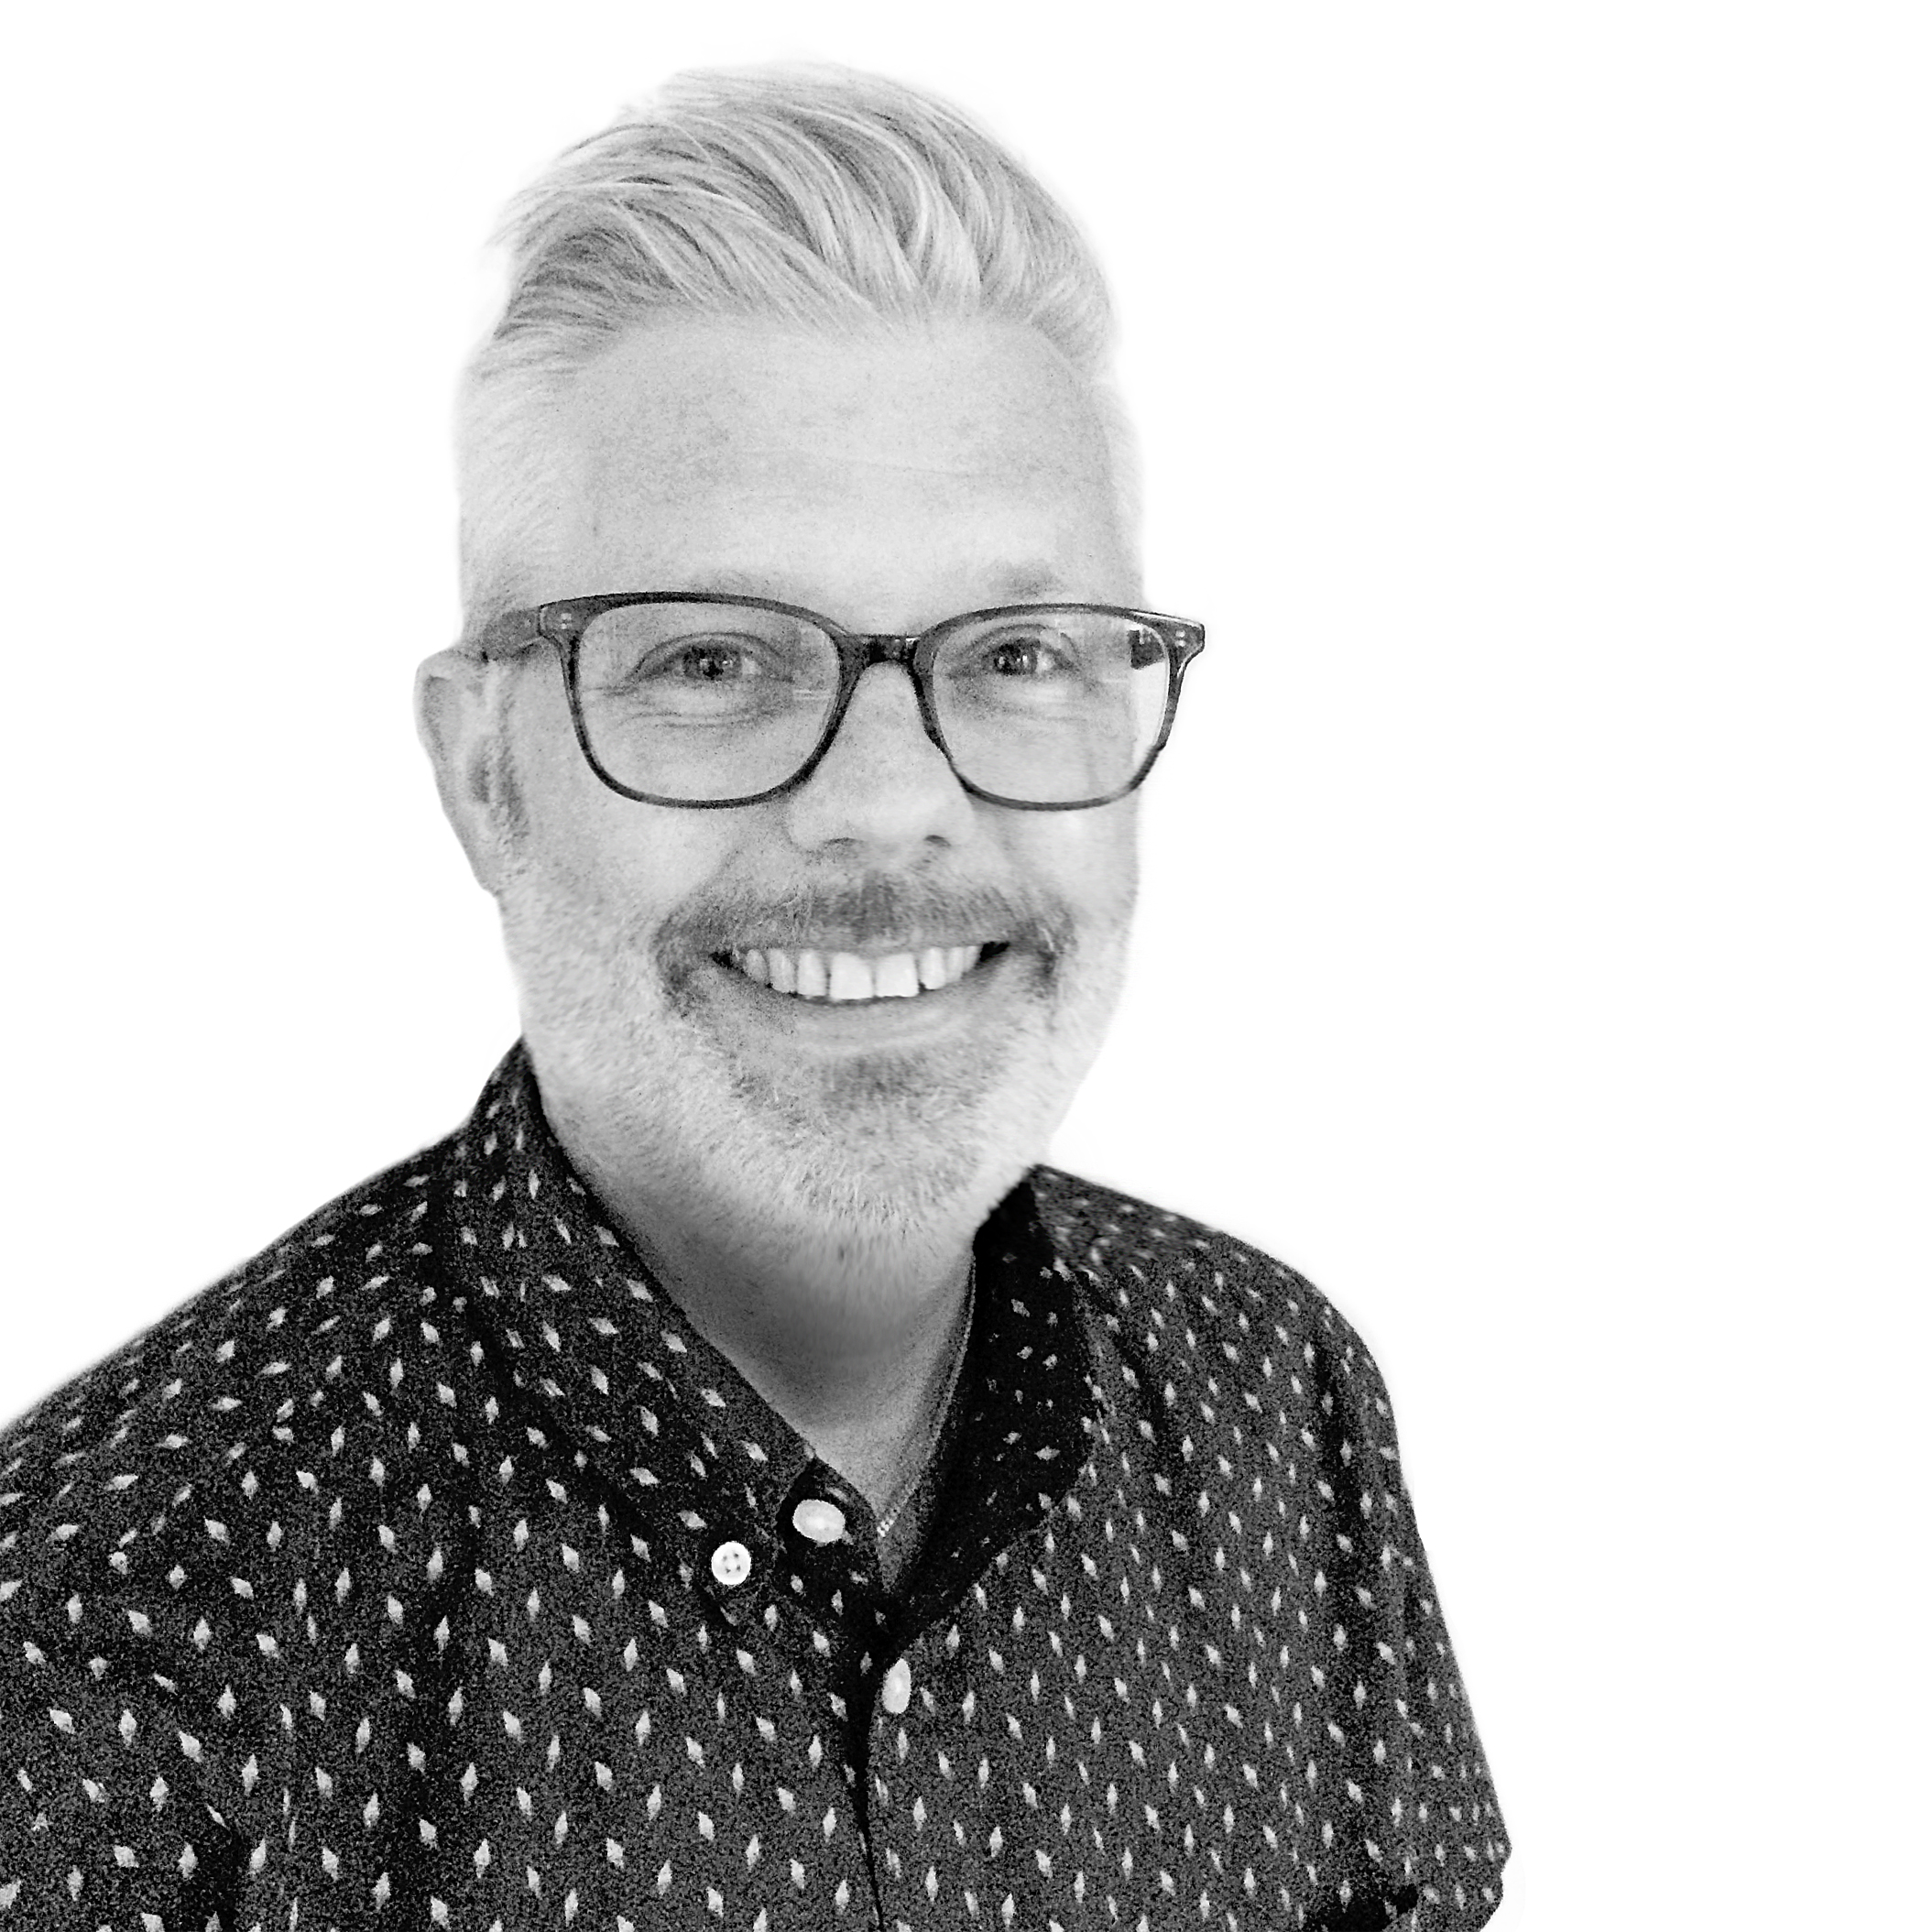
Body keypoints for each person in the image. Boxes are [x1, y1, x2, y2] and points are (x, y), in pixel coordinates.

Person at [0, 65, 1508, 1929]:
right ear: (487, 773)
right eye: (713, 657)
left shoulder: (1272, 1399)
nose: (887, 801)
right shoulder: (87, 1653)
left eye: (1020, 650)